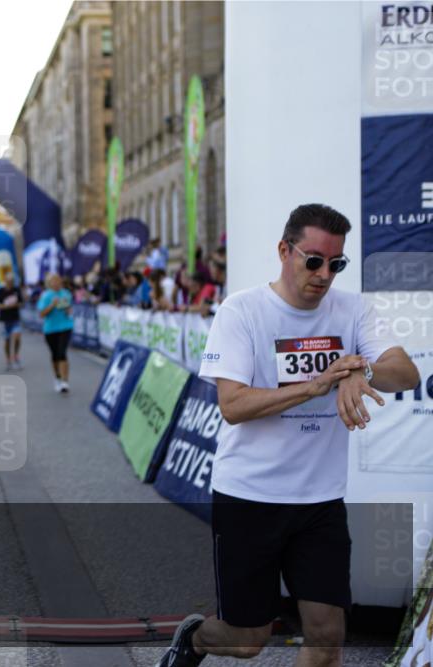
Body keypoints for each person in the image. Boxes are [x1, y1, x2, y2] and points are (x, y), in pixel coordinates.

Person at [158, 203, 420, 667]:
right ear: (284, 250)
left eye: (336, 264)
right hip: (250, 496)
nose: (324, 274)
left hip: (320, 502)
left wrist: (362, 368)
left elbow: (407, 373)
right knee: (246, 640)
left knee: (327, 634)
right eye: (313, 260)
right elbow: (233, 406)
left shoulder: (354, 309)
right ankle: (196, 638)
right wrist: (318, 384)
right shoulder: (242, 311)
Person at [37, 273, 74, 393]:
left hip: (65, 326)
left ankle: (65, 381)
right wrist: (52, 305)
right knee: (55, 355)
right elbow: (41, 314)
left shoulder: (66, 293)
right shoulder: (46, 296)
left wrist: (68, 310)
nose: (57, 283)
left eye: (58, 280)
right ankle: (57, 377)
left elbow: (69, 308)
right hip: (51, 329)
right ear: (49, 283)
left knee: (62, 352)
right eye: (54, 281)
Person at [0, 273, 23, 371]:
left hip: (15, 318)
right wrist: (6, 306)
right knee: (7, 340)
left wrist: (15, 305)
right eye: (8, 280)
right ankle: (8, 359)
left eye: (12, 281)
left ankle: (15, 355)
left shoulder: (16, 290)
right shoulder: (0, 291)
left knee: (17, 337)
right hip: (4, 319)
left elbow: (21, 302)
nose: (10, 282)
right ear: (5, 281)